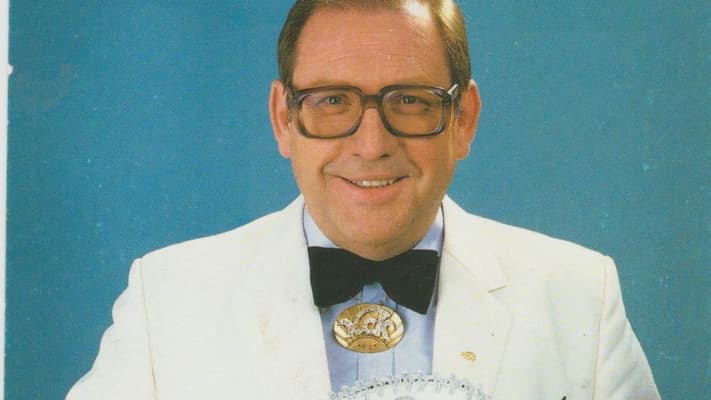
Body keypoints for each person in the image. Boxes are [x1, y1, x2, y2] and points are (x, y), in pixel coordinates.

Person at [66, 1, 660, 399]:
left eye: (410, 101)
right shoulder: (167, 299)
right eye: (331, 101)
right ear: (282, 119)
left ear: (464, 119)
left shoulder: (581, 297)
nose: (371, 145)